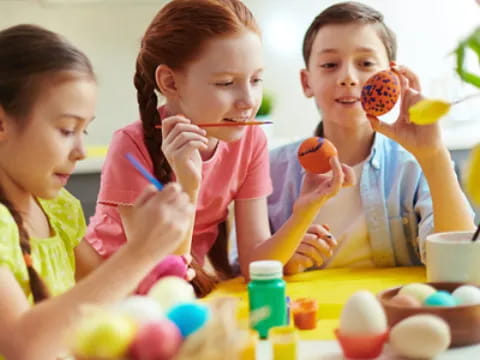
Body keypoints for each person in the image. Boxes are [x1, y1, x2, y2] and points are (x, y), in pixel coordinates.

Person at [84, 0, 354, 296]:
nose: (249, 100)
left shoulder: (250, 142)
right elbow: (157, 277)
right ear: (170, 82)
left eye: (256, 79)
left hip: (182, 291)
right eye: (226, 82)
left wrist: (305, 209)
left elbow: (255, 267)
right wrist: (188, 185)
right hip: (115, 295)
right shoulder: (131, 146)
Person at [0, 24, 193, 360]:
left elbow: (108, 292)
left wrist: (155, 258)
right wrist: (141, 252)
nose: (80, 151)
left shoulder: (57, 208)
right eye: (66, 130)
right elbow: (22, 345)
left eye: (84, 131)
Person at [268, 1, 475, 274]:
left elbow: (462, 266)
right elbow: (243, 266)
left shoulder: (413, 163)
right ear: (307, 82)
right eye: (330, 64)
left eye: (365, 63)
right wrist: (283, 260)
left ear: (392, 77)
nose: (349, 78)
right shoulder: (271, 169)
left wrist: (433, 155)